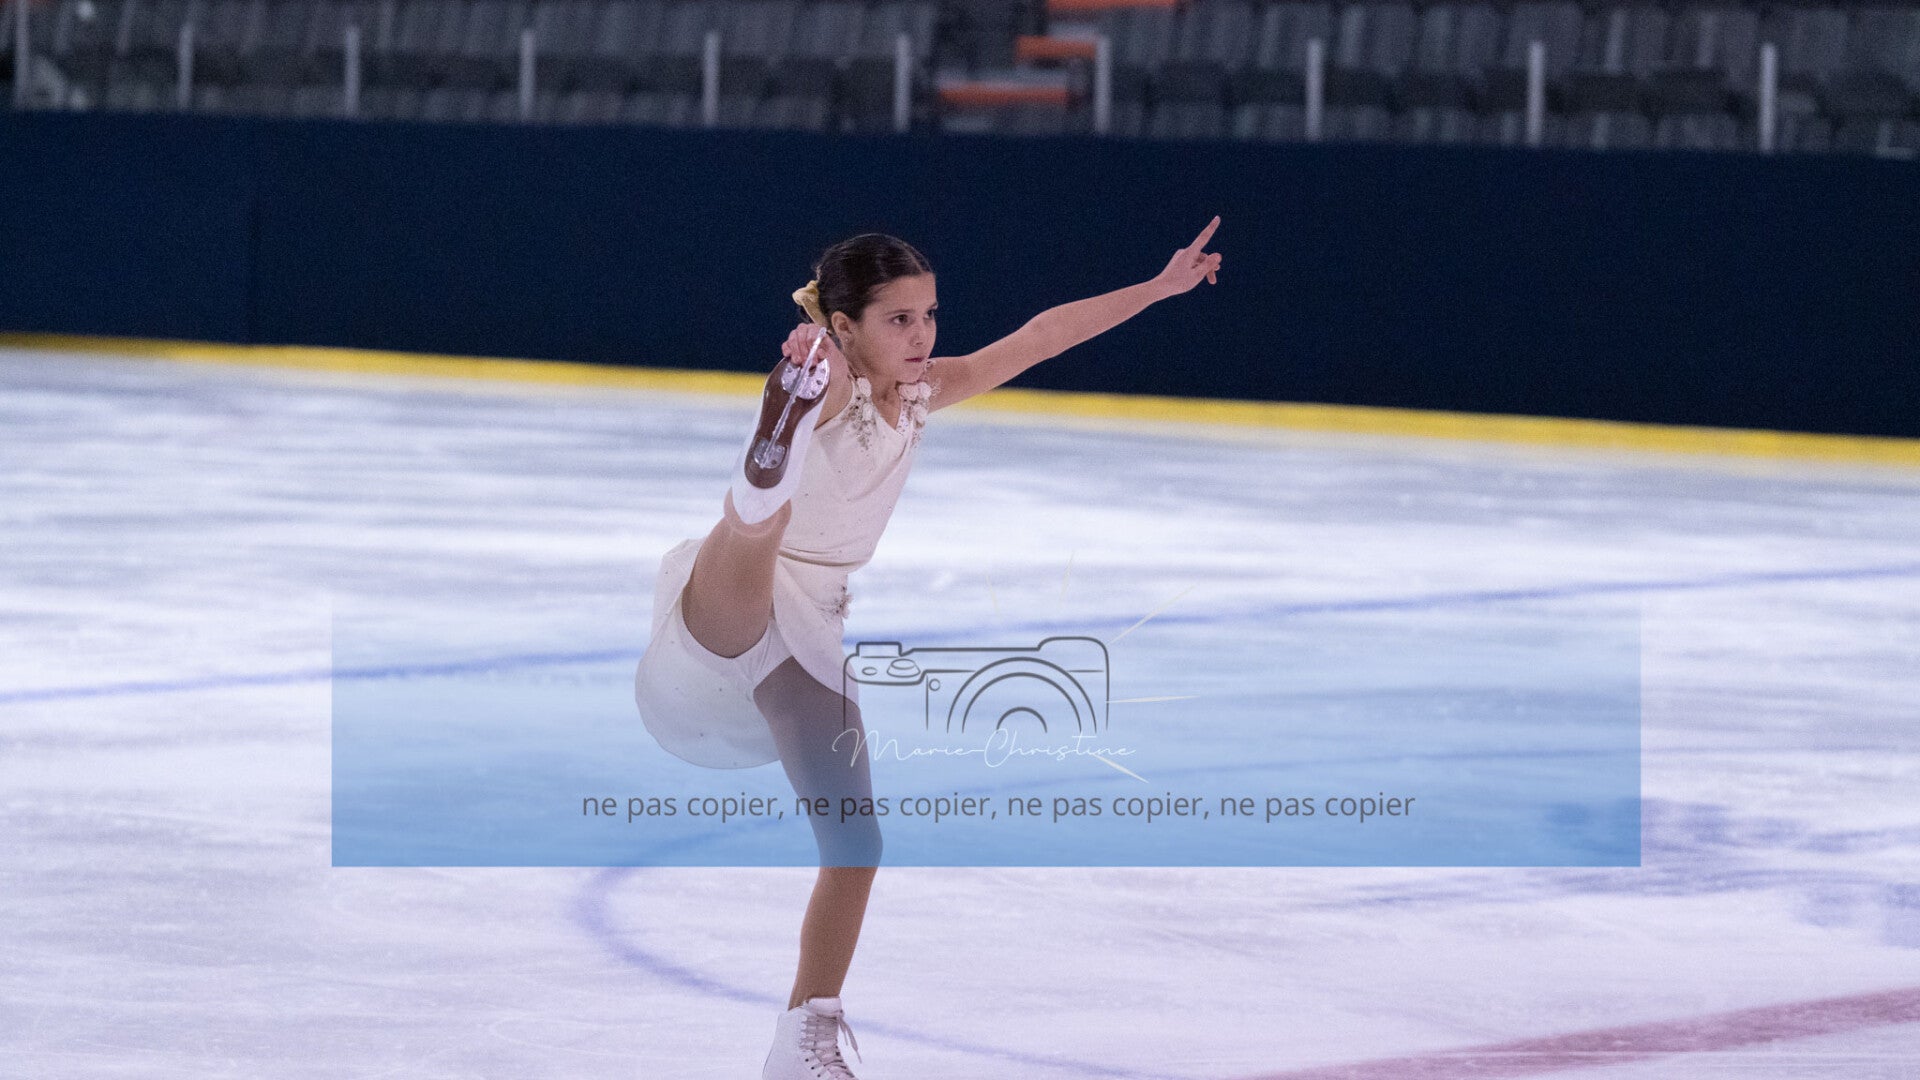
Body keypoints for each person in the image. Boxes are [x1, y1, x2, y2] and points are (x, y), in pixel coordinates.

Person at [633, 218, 1223, 1079]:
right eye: (899, 320)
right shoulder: (833, 378)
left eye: (929, 316)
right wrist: (805, 382)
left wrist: (1159, 287)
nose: (921, 336)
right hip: (736, 591)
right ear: (843, 327)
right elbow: (834, 373)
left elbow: (1040, 337)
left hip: (811, 628)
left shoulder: (919, 393)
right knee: (754, 532)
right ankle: (766, 462)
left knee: (856, 843)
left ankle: (803, 1035)